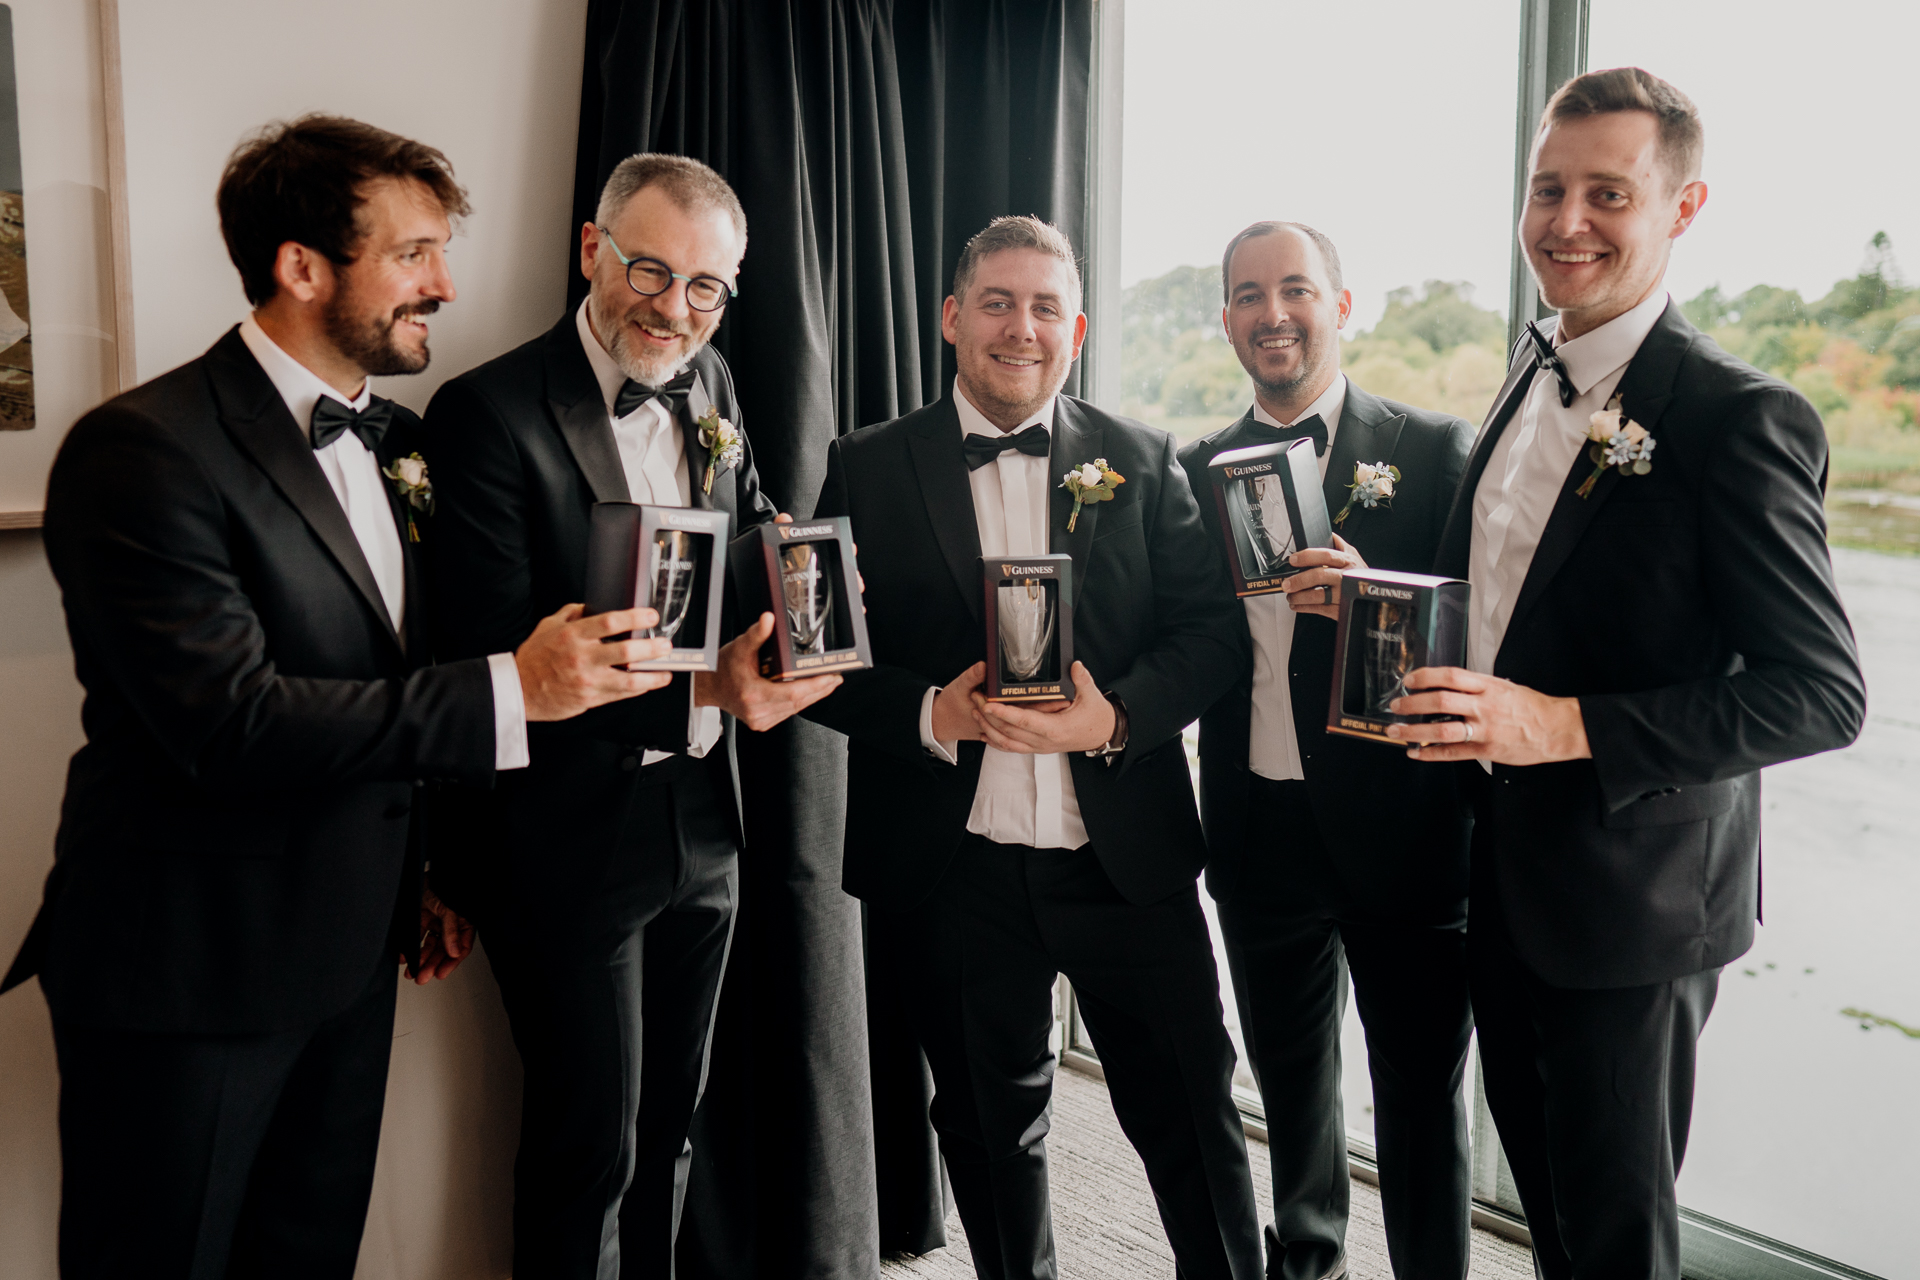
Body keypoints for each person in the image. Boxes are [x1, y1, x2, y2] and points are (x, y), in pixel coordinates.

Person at [0, 115, 668, 1279]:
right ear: (302, 266)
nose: (446, 284)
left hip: (353, 950)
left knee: (306, 1256)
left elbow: (390, 674)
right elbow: (231, 720)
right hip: (192, 968)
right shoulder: (140, 451)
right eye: (413, 255)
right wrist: (513, 685)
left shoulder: (403, 442)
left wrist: (431, 870)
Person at [1385, 68, 1866, 1278]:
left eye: (1609, 192)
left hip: (1630, 910)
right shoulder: (1527, 368)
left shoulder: (1736, 415)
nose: (1567, 220)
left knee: (1614, 1241)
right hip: (1493, 874)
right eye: (1549, 188)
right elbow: (1506, 598)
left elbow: (1819, 691)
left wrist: (1560, 725)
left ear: (1683, 207)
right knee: (1550, 1211)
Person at [806, 215, 1262, 1280]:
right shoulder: (866, 465)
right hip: (951, 865)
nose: (1024, 327)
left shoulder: (1142, 457)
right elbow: (819, 659)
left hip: (1126, 862)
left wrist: (1115, 718)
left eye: (1047, 306)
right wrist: (933, 712)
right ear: (954, 317)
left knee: (1193, 1117)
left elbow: (1212, 637)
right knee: (984, 1130)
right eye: (1000, 303)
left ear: (1079, 327)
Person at [419, 153, 837, 1279]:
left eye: (708, 287)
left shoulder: (713, 388)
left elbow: (745, 538)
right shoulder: (484, 412)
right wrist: (714, 689)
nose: (677, 308)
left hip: (705, 817)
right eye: (653, 270)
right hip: (562, 834)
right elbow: (496, 659)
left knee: (674, 1130)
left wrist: (798, 607)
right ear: (594, 249)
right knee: (586, 1146)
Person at [1176, 221, 1476, 1280]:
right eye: (1248, 296)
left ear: (1340, 305)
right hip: (1259, 830)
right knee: (1292, 1087)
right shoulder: (1191, 469)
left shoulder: (1435, 451)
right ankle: (1310, 1262)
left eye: (1295, 289)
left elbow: (1489, 630)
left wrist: (1376, 598)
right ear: (1226, 322)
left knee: (1419, 1095)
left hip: (1406, 833)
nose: (1272, 314)